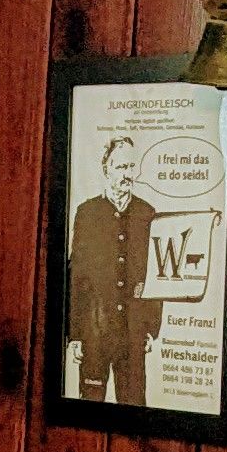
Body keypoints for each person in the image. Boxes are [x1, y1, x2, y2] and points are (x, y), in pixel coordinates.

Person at [65, 134, 163, 408]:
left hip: (133, 334)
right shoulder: (88, 213)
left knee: (134, 407)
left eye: (131, 167)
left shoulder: (147, 213)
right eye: (121, 167)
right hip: (95, 333)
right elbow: (76, 276)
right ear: (106, 168)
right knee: (90, 405)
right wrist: (75, 335)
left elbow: (155, 275)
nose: (127, 174)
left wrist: (150, 328)